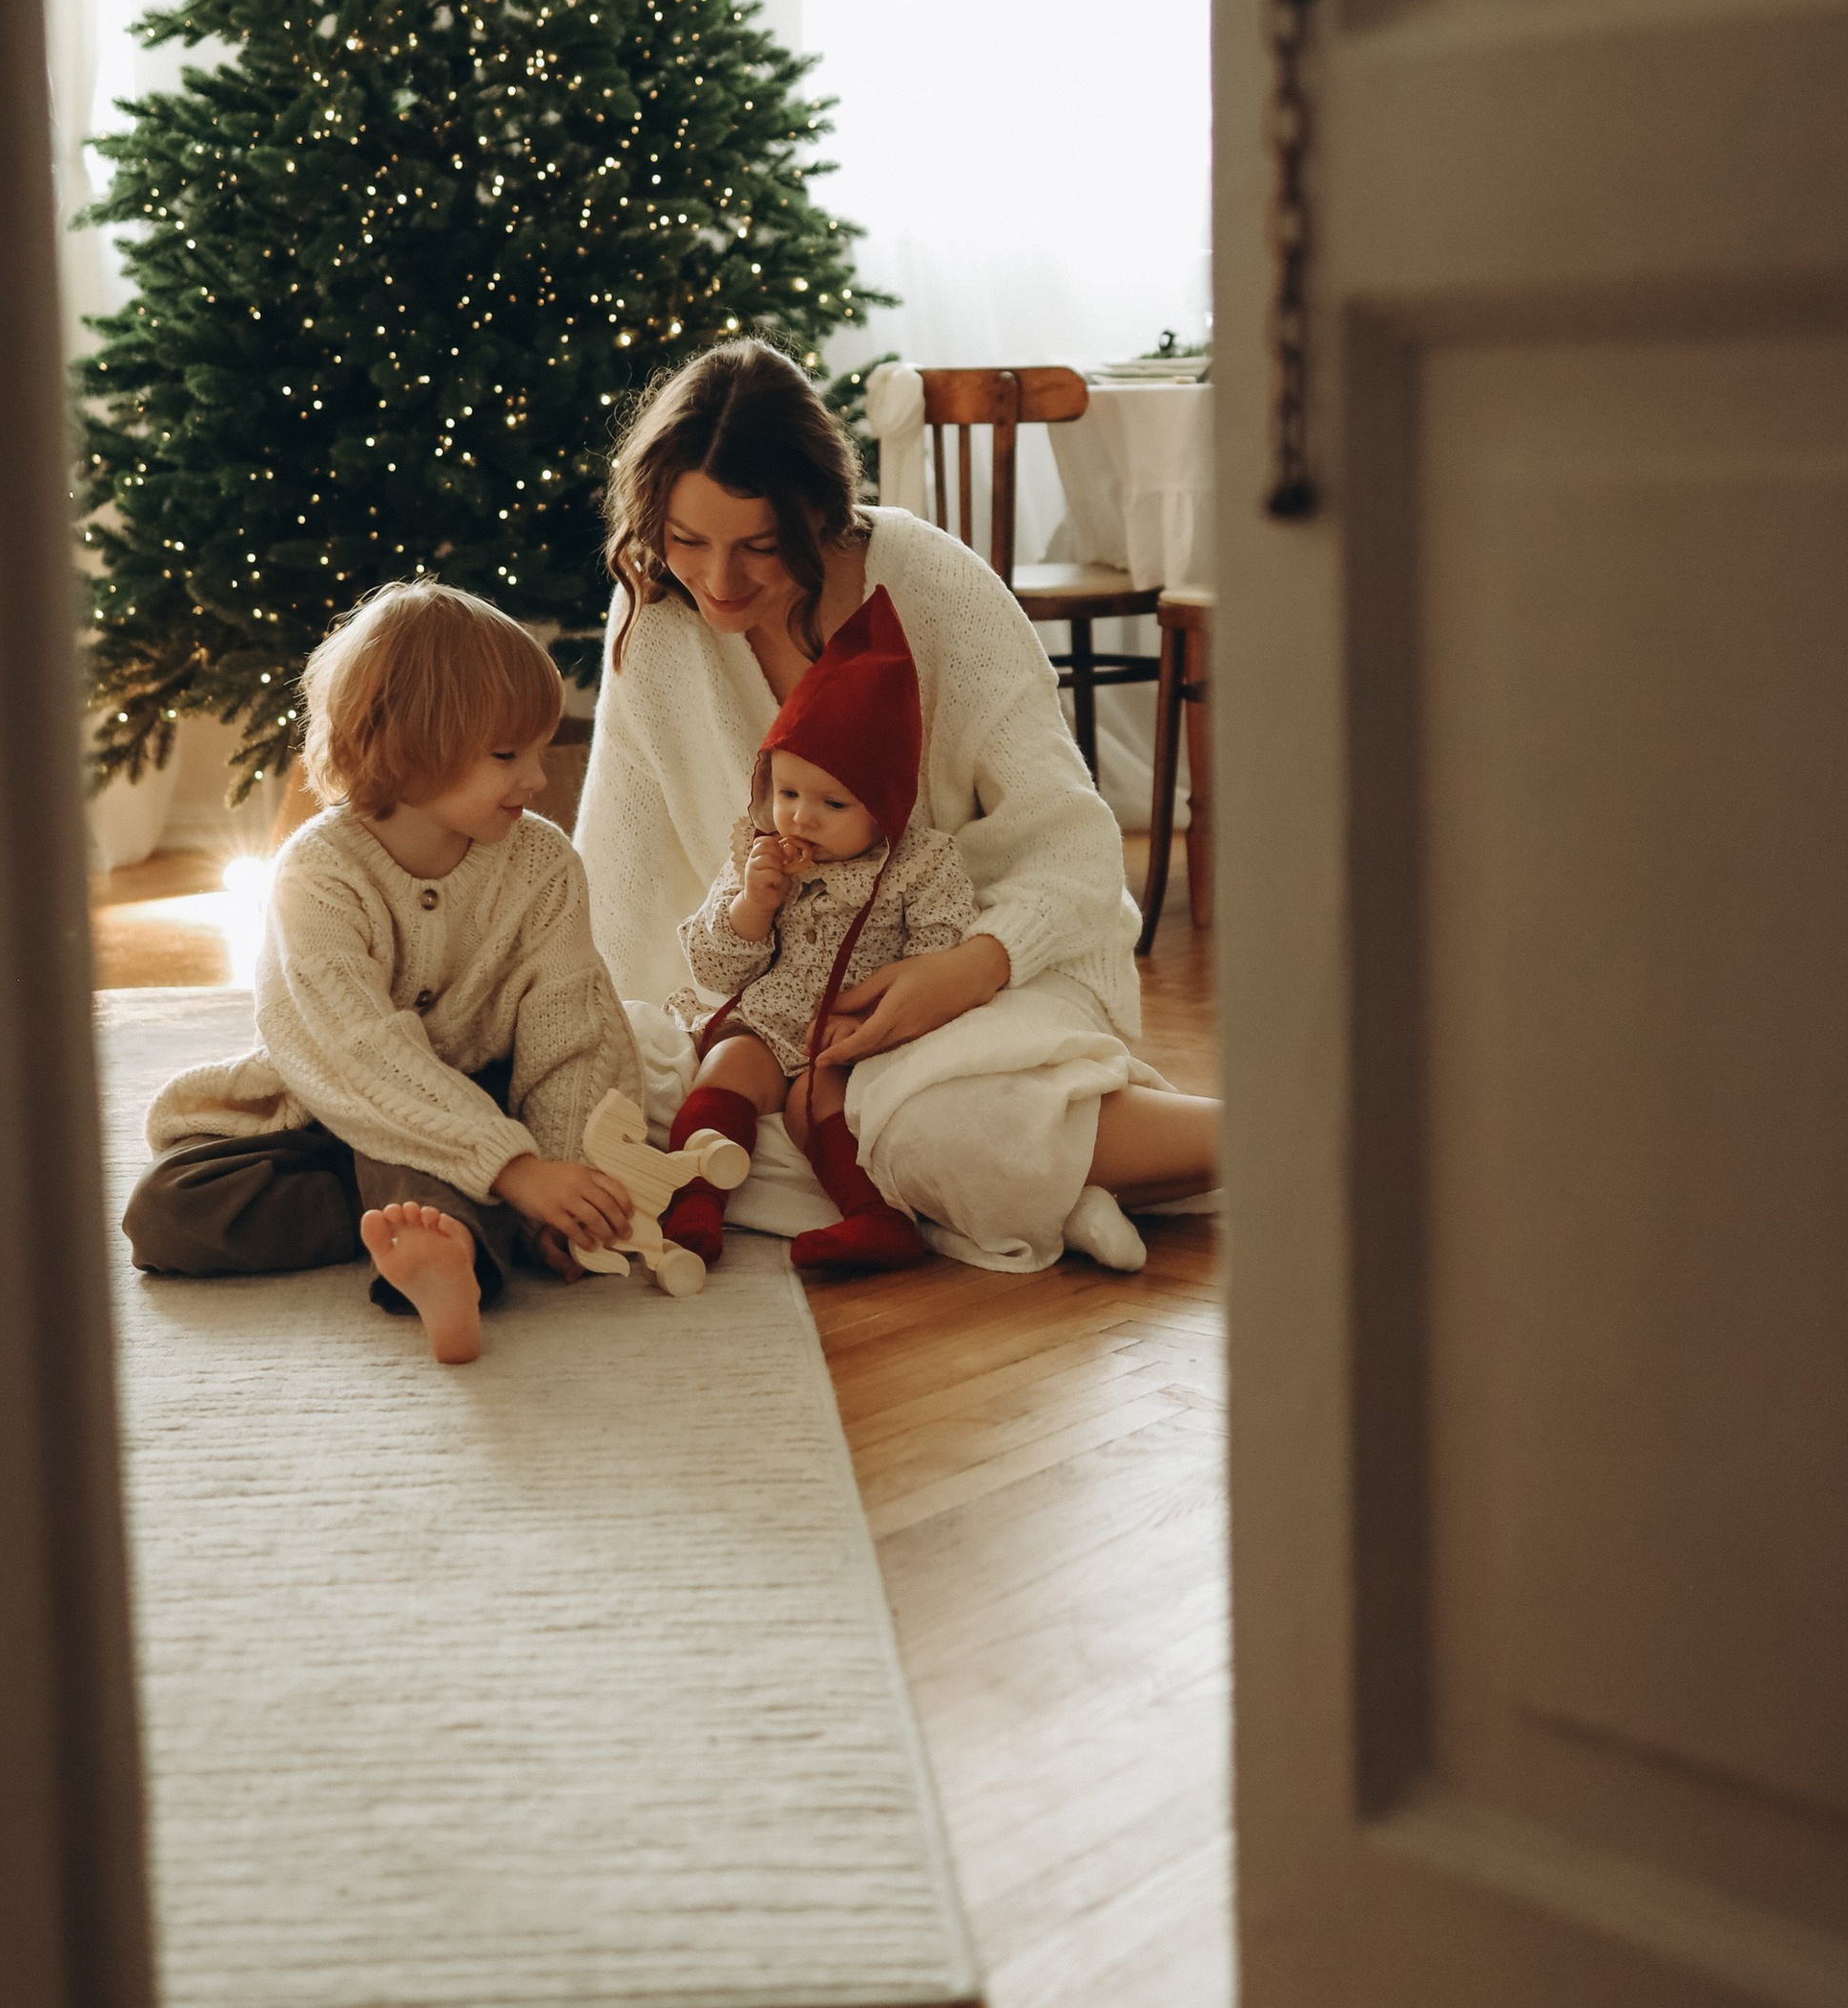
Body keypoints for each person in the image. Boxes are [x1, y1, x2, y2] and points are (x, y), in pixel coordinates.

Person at [574, 343, 1221, 1275]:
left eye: (757, 546)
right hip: (773, 1001)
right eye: (686, 540)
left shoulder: (931, 585)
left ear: (821, 518)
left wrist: (967, 967)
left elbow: (1073, 846)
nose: (716, 581)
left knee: (925, 1124)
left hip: (992, 957)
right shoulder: (654, 609)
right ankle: (1053, 1188)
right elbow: (622, 855)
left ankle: (1291, 1142)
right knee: (633, 1098)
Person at [123, 580, 640, 1362]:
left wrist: (556, 1180)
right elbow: (352, 1049)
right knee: (167, 1211)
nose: (537, 779)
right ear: (410, 747)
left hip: (487, 1098)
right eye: (508, 756)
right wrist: (513, 1173)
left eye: (537, 749)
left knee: (418, 1161)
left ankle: (449, 1257)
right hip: (334, 1096)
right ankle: (440, 1219)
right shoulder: (317, 873)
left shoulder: (544, 864)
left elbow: (569, 1031)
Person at [667, 586, 978, 1273]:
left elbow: (941, 945)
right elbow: (714, 968)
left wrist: (878, 1017)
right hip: (772, 1017)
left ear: (886, 805)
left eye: (832, 803)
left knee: (820, 1102)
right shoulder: (758, 852)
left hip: (855, 1031)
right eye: (786, 793)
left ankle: (876, 1218)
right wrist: (754, 906)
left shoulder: (920, 864)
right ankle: (691, 1199)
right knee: (725, 1068)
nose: (800, 818)